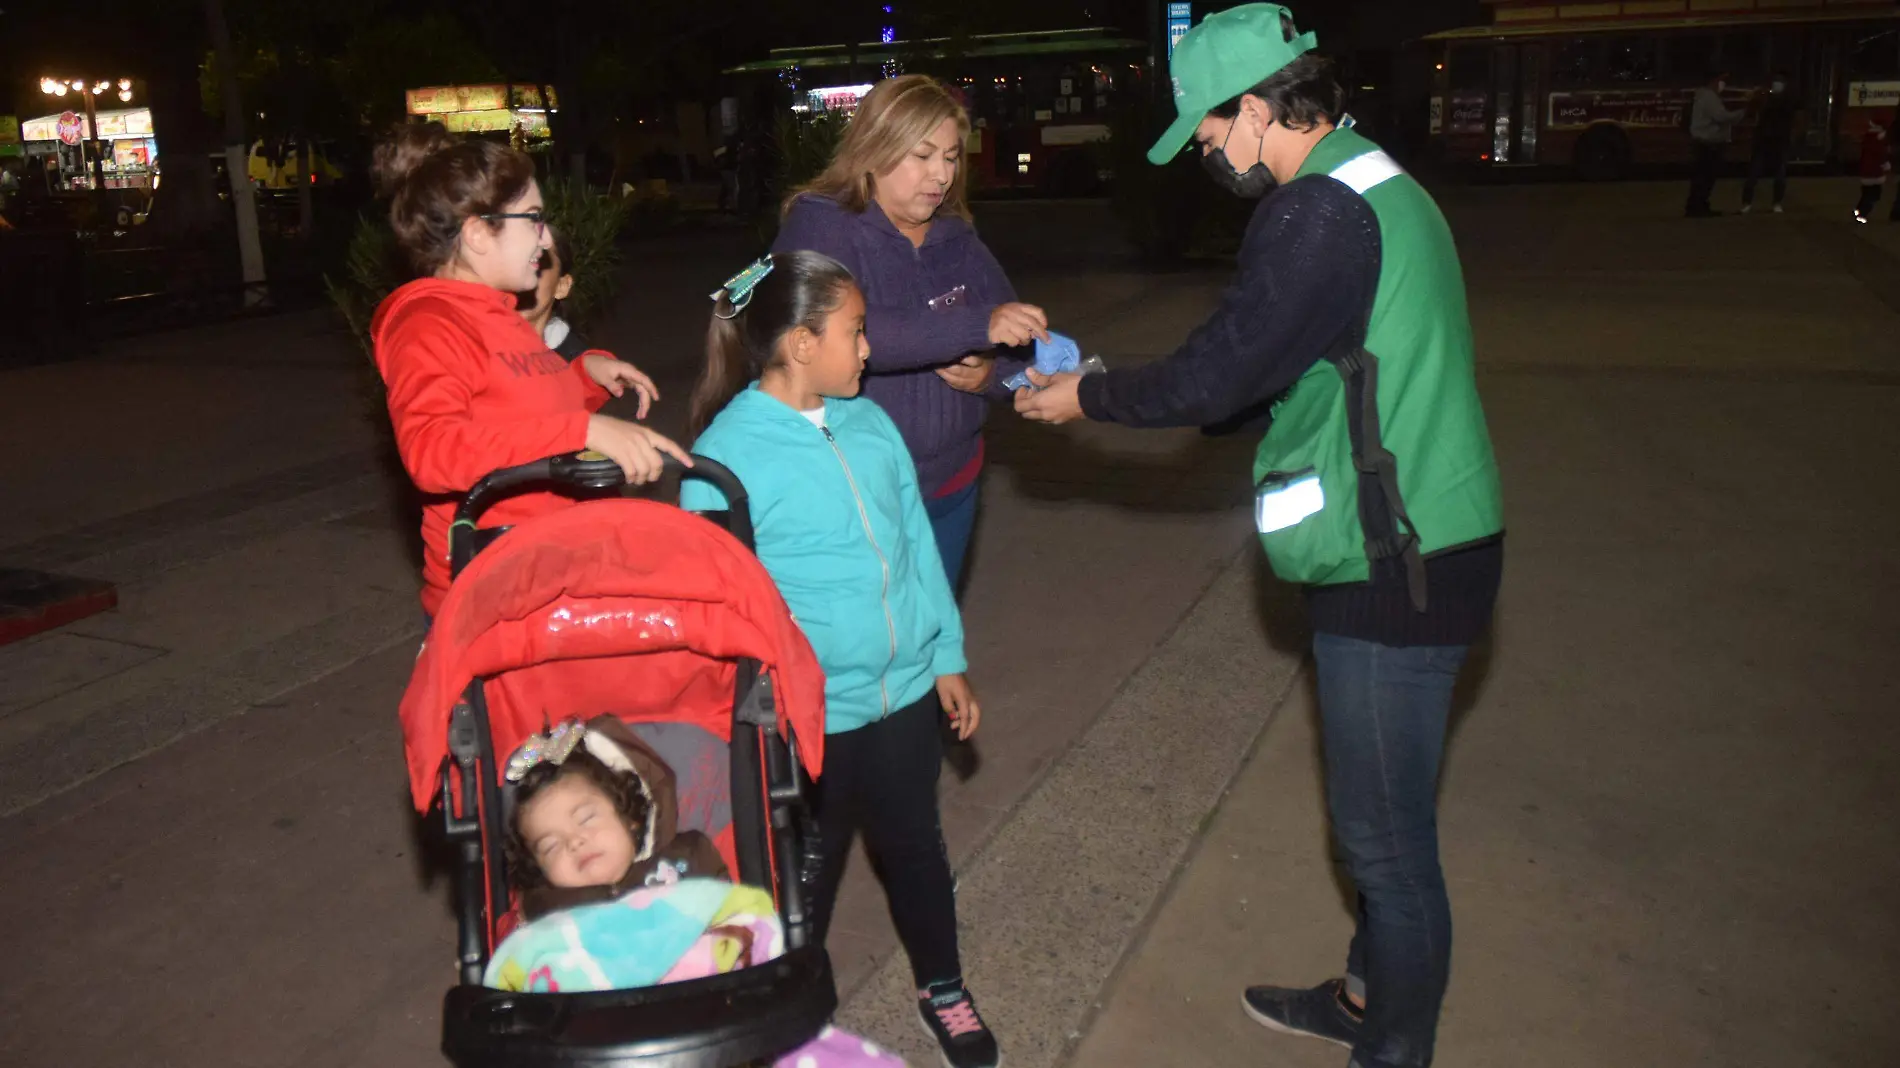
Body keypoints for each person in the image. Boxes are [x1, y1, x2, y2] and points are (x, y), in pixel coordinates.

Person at [1014, 7, 1503, 1068]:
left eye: (1205, 125)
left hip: (1395, 562)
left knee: (1386, 847)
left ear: (1257, 108)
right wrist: (1115, 385)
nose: (1200, 147)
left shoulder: (1314, 213)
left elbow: (1218, 372)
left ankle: (1394, 1050)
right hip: (1429, 536)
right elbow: (1292, 361)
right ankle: (1369, 1003)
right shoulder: (1376, 177)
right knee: (1379, 826)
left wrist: (1086, 396)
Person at [679, 251, 1000, 1068]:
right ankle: (784, 1014)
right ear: (797, 344)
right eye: (856, 333)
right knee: (806, 873)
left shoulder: (869, 420)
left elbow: (917, 548)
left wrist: (946, 655)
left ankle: (944, 986)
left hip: (902, 699)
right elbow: (721, 610)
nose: (868, 350)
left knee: (915, 848)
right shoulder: (723, 462)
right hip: (807, 715)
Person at [368, 123, 687, 620]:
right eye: (533, 219)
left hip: (553, 573)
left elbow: (520, 419)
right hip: (495, 596)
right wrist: (583, 428)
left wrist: (584, 378)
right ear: (477, 233)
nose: (544, 238)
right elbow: (432, 453)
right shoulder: (428, 322)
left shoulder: (501, 314)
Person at [772, 74, 1051, 591]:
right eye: (922, 156)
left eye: (950, 157)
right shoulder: (821, 226)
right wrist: (974, 324)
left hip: (953, 483)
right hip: (852, 492)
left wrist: (991, 377)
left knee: (926, 646)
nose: (941, 175)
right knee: (862, 653)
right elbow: (843, 333)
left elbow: (1017, 343)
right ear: (874, 148)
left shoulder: (956, 236)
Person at [517, 225, 618, 364]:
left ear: (561, 286)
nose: (518, 273)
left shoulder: (581, 368)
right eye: (512, 260)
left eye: (535, 260)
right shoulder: (480, 353)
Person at [1687, 69, 1748, 217]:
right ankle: (1697, 207)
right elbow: (1721, 117)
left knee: (1702, 177)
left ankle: (1697, 206)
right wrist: (1742, 113)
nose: (1724, 84)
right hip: (1708, 143)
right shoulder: (1708, 96)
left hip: (1703, 142)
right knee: (1705, 178)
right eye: (1722, 80)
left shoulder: (1704, 95)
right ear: (1714, 80)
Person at [1741, 71, 1797, 214]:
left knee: (1779, 175)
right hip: (1764, 140)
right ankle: (1747, 203)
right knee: (1754, 174)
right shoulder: (1765, 99)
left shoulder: (1787, 100)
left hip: (1778, 141)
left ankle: (1775, 202)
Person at [1852, 109, 1895, 224]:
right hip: (1874, 173)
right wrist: (1886, 165)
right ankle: (1862, 214)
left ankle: (1858, 211)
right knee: (1873, 195)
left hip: (1866, 172)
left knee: (1867, 194)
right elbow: (1880, 155)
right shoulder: (1878, 140)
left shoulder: (1869, 138)